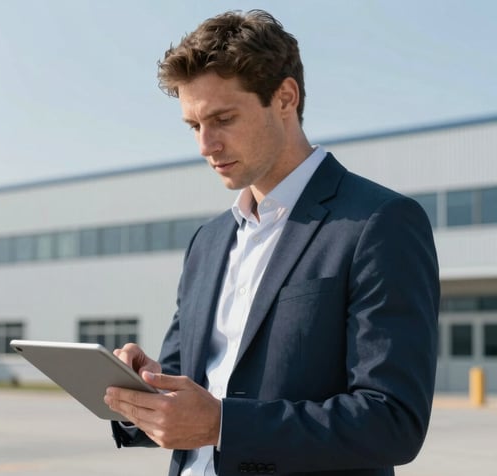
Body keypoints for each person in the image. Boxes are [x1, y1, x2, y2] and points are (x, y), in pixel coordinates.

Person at [103, 9, 439, 476]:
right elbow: (191, 391)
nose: (205, 144)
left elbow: (392, 422)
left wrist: (222, 425)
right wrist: (144, 391)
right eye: (193, 125)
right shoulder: (208, 241)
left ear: (284, 97)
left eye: (222, 118)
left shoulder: (378, 223)